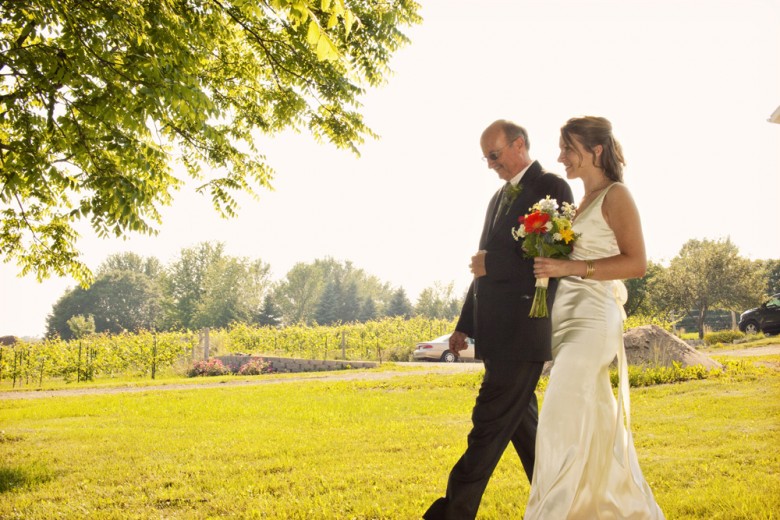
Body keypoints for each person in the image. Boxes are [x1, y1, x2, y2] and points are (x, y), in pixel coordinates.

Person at [423, 120, 573, 520]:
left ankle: (452, 512)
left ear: (519, 144)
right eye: (485, 158)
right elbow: (481, 270)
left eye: (494, 154)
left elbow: (554, 255)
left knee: (487, 424)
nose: (490, 164)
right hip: (495, 330)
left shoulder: (553, 188)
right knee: (526, 432)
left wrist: (492, 262)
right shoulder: (496, 199)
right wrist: (464, 324)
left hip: (525, 328)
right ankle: (562, 505)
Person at [525, 116, 665, 519]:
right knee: (596, 424)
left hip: (593, 321)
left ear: (595, 150)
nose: (560, 156)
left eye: (568, 148)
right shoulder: (578, 203)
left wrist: (569, 268)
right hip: (566, 322)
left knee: (556, 419)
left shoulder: (616, 195)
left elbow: (636, 264)